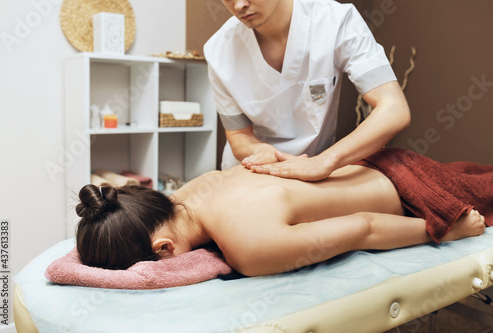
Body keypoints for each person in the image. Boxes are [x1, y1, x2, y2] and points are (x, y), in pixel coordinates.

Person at [76, 149, 491, 277]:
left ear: (163, 249)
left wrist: (440, 231)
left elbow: (364, 228)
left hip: (417, 194)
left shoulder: (249, 247)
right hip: (382, 162)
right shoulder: (190, 191)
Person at [204, 0, 411, 181]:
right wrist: (261, 151)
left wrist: (325, 162)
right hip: (251, 172)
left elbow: (394, 109)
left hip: (314, 171)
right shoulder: (218, 50)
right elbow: (239, 136)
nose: (239, 5)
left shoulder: (335, 21)